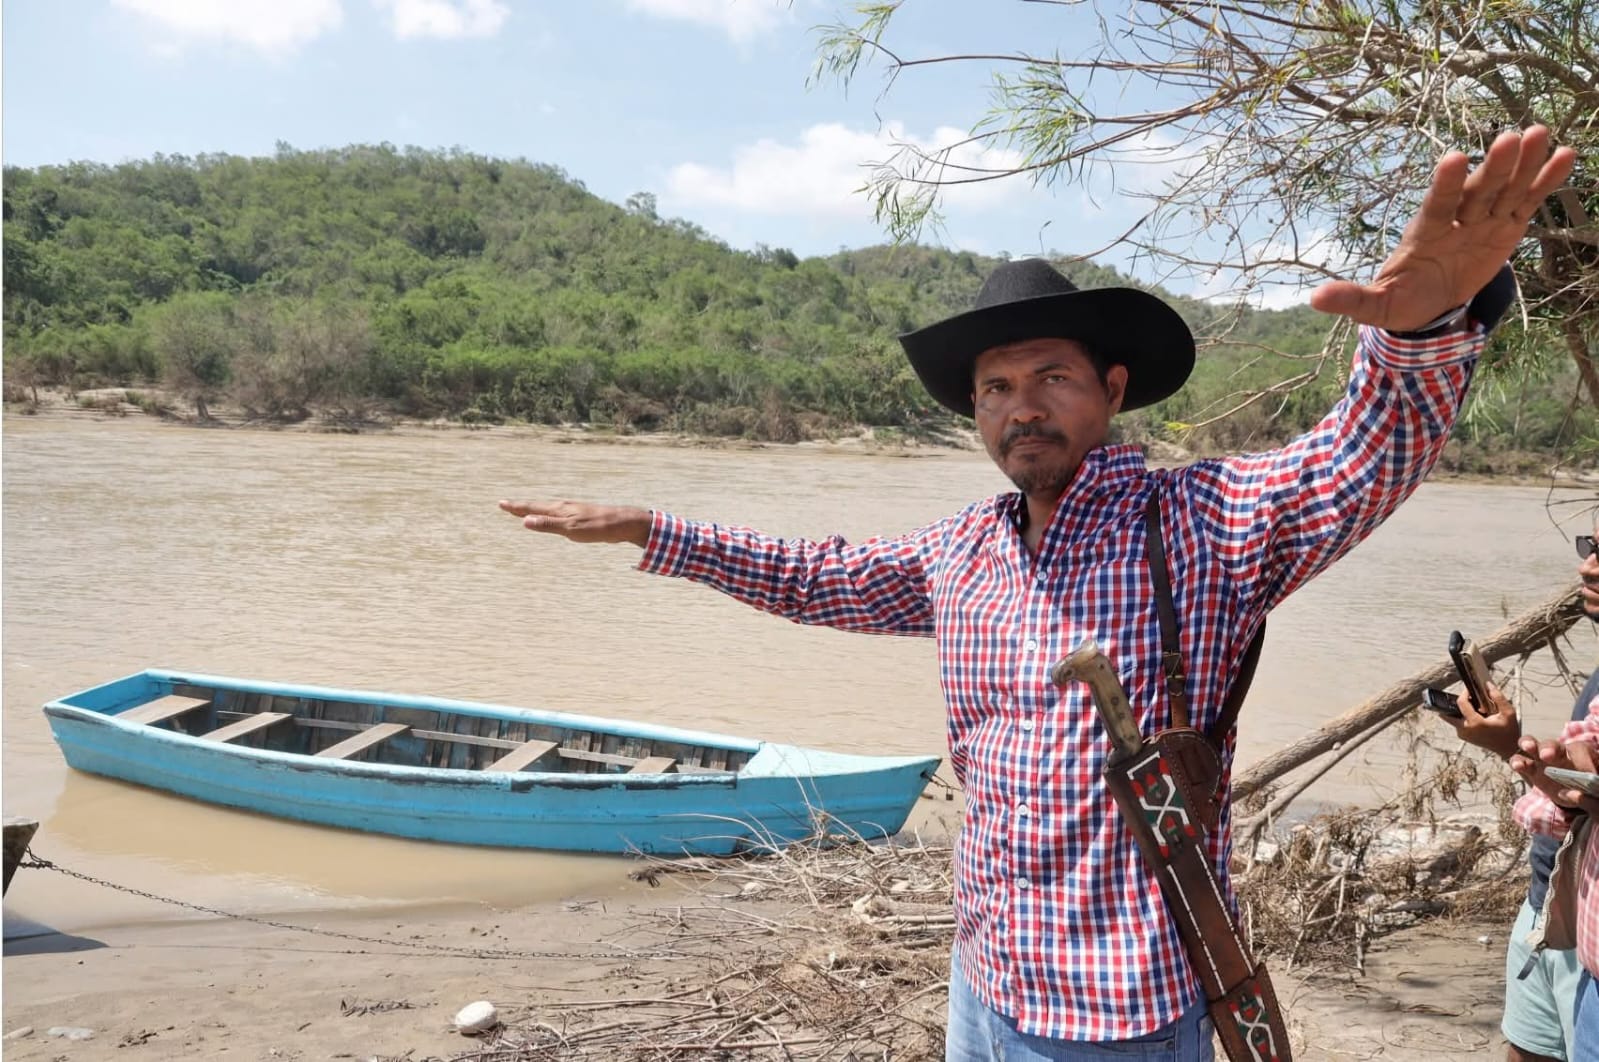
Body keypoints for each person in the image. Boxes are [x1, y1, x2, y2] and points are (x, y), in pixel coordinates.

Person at [501, 128, 1575, 1059]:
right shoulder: (964, 551)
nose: (1022, 407)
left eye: (1050, 378)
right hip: (985, 975)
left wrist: (1419, 332)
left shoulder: (1199, 524)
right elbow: (818, 577)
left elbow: (1360, 456)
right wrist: (657, 532)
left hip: (1121, 1007)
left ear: (1111, 388)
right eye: (996, 388)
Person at [1445, 516, 1599, 1062]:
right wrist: (1514, 748)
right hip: (1550, 901)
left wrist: (1519, 754)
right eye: (1591, 545)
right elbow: (1580, 798)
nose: (1587, 566)